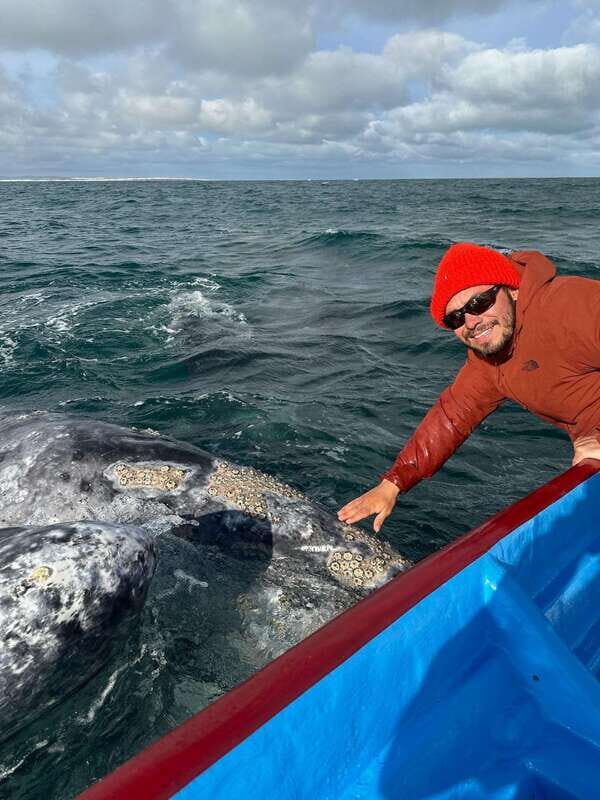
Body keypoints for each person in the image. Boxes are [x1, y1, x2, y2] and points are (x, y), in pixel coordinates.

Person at [337, 242, 600, 533]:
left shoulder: (566, 305)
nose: (472, 322)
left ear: (511, 289)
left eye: (479, 303)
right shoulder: (489, 360)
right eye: (456, 318)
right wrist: (392, 484)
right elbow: (451, 418)